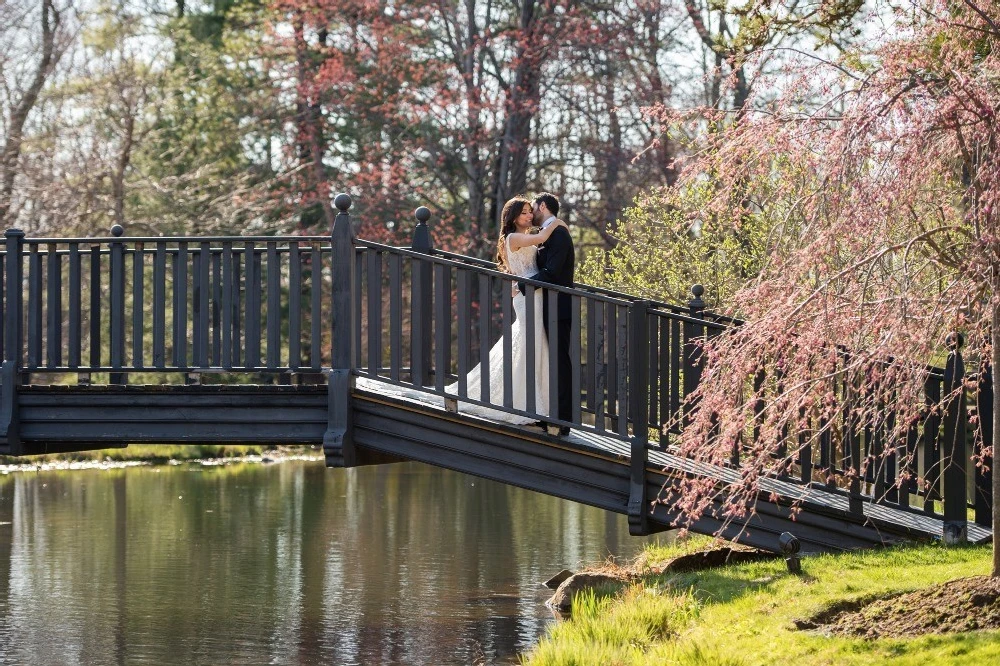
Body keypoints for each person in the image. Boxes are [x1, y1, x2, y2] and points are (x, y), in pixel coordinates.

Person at [449, 196, 568, 424]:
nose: (529, 216)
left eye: (529, 212)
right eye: (524, 212)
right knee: (528, 345)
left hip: (533, 292)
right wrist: (558, 222)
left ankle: (537, 402)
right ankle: (523, 403)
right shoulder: (513, 237)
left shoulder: (523, 236)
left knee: (534, 345)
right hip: (528, 295)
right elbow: (542, 237)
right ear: (513, 216)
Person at [525, 192, 575, 436]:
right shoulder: (550, 232)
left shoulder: (559, 234)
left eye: (533, 208)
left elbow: (553, 272)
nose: (531, 213)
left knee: (559, 361)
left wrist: (522, 284)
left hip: (558, 307)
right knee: (549, 359)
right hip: (546, 305)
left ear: (542, 206)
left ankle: (563, 420)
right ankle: (547, 413)